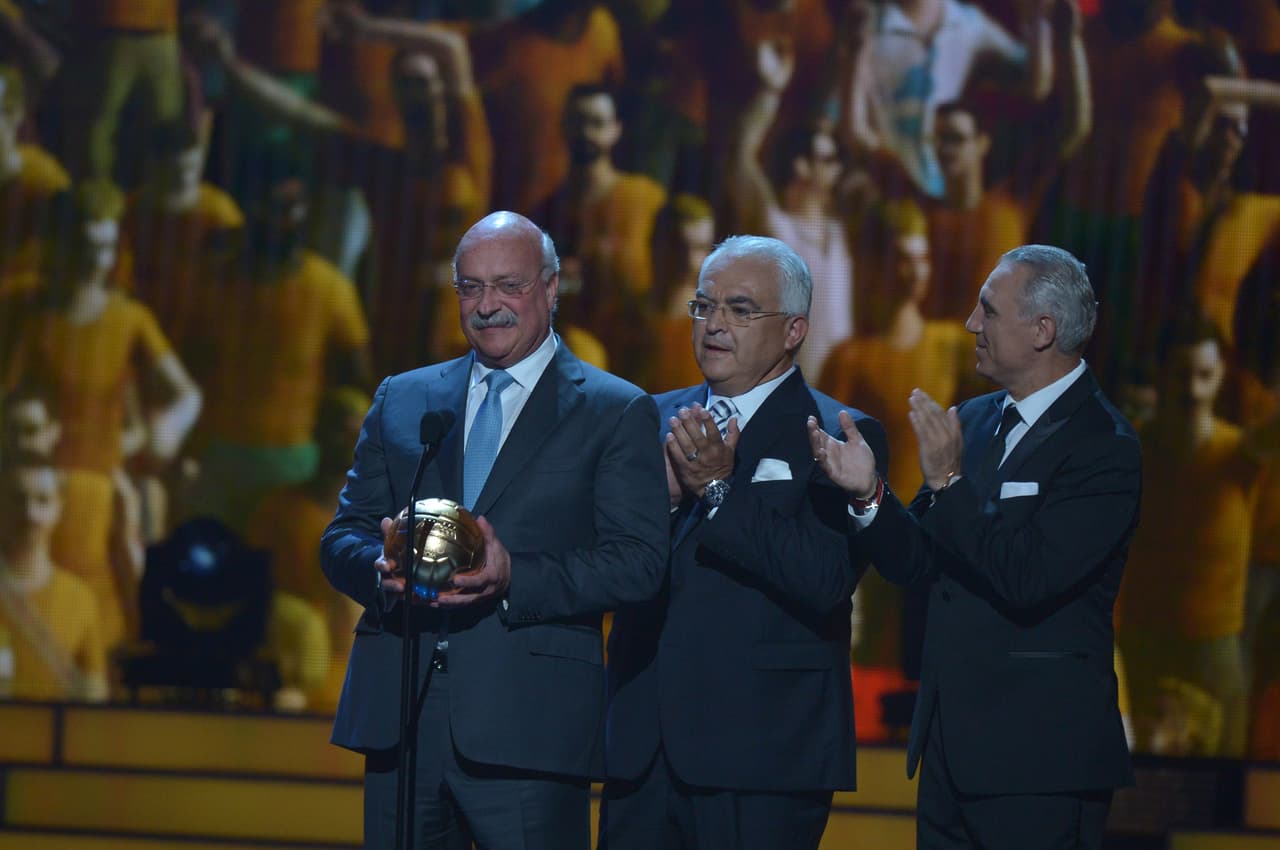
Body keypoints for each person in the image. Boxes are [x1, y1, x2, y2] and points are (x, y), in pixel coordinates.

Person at [320, 210, 669, 849]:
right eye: (471, 288)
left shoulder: (615, 410)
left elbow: (640, 562)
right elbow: (342, 535)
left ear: (552, 287)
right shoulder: (404, 398)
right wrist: (380, 567)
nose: (488, 306)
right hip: (404, 715)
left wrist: (514, 575)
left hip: (531, 726)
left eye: (508, 285)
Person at [808, 244, 1140, 849]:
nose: (970, 324)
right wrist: (868, 495)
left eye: (988, 310)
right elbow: (914, 562)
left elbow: (1028, 576)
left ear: (1043, 330)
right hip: (948, 756)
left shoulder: (1104, 448)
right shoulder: (977, 421)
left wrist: (951, 483)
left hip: (1039, 763)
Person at [601, 235, 888, 850]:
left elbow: (824, 579)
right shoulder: (644, 419)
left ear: (793, 331)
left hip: (764, 753)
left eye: (739, 309)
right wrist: (666, 500)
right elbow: (602, 557)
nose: (714, 325)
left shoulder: (839, 435)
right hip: (643, 745)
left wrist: (717, 489)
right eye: (703, 307)